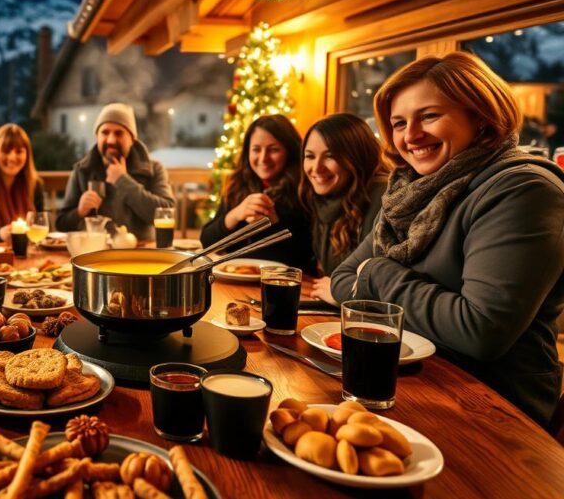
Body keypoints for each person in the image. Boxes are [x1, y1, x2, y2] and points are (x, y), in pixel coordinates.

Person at [331, 52, 564, 427]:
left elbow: (479, 331)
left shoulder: (524, 189)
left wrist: (377, 273)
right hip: (409, 381)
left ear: (481, 116)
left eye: (429, 116)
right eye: (399, 122)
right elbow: (342, 281)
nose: (410, 136)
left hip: (494, 411)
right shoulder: (409, 192)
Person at [200, 114, 314, 271]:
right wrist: (235, 214)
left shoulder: (304, 190)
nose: (263, 158)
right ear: (247, 152)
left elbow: (305, 257)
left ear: (290, 151)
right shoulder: (238, 185)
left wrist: (274, 226)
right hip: (236, 281)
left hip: (283, 284)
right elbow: (207, 241)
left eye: (273, 150)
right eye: (256, 149)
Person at [299, 114, 389, 303]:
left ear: (356, 156)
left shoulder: (382, 196)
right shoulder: (322, 197)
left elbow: (383, 284)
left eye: (330, 156)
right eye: (309, 156)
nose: (316, 168)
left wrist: (342, 294)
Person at [56, 103, 175, 240]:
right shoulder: (81, 171)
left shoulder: (154, 169)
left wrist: (122, 180)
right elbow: (61, 224)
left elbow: (168, 213)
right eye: (105, 132)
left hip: (140, 253)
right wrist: (79, 212)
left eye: (119, 133)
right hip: (94, 254)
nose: (111, 140)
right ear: (97, 136)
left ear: (132, 139)